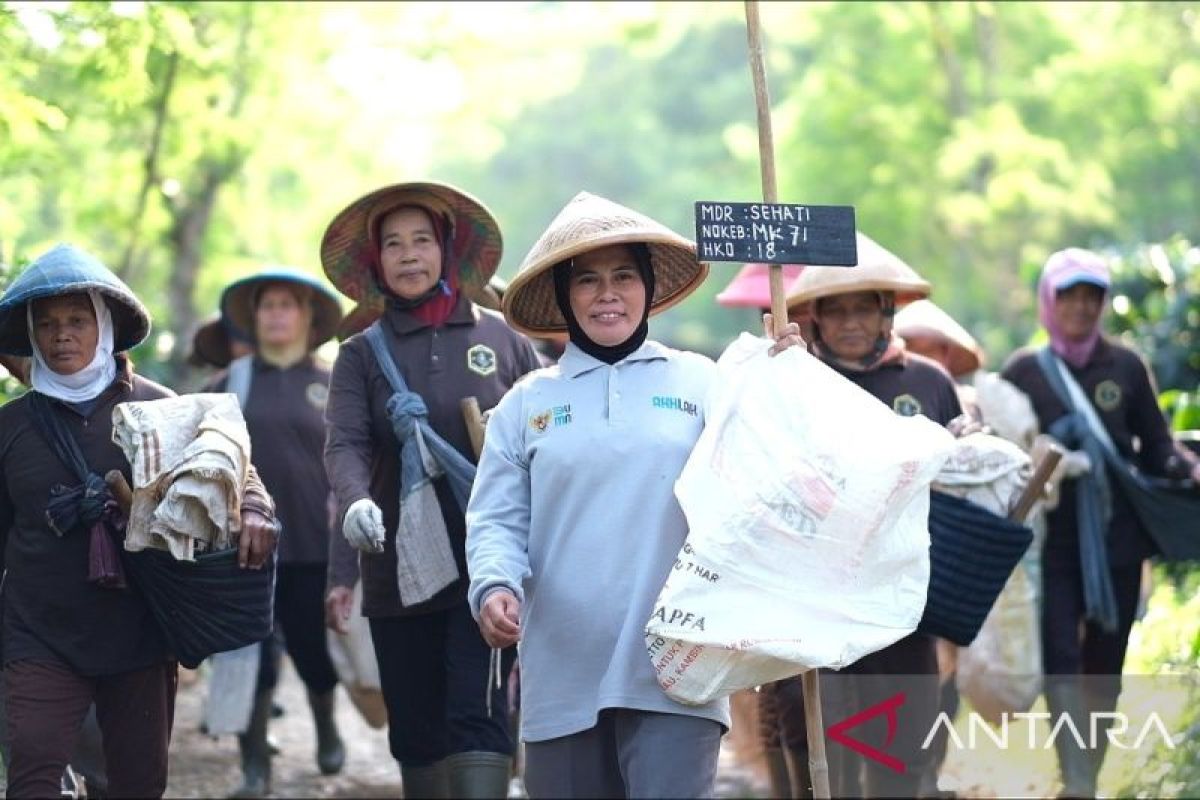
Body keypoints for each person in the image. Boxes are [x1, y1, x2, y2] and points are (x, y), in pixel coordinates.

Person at [465, 190, 802, 799]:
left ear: (648, 286)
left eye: (624, 275)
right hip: (561, 667)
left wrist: (785, 380)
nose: (607, 293)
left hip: (678, 664)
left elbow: (770, 468)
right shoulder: (527, 403)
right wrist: (493, 585)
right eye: (587, 280)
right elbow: (495, 520)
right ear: (565, 298)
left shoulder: (702, 382)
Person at [0, 243, 278, 799]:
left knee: (137, 783)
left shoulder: (162, 407)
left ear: (104, 326)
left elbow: (230, 466)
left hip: (141, 628)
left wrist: (254, 506)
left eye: (77, 321)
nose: (62, 335)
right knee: (32, 773)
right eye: (48, 323)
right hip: (38, 632)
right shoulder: (11, 427)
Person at [322, 180, 543, 799]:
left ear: (448, 251)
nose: (409, 254)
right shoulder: (360, 354)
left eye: (422, 240)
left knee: (478, 710)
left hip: (489, 560)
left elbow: (549, 434)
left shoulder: (504, 339)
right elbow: (345, 443)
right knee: (416, 721)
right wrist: (357, 501)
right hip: (399, 565)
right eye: (393, 244)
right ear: (376, 262)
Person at [1001, 248, 1200, 798]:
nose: (1082, 307)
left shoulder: (1126, 366)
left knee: (1105, 664)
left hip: (1118, 538)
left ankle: (1087, 772)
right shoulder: (1024, 371)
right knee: (1060, 655)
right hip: (1051, 543)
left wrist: (1189, 469)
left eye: (1093, 296)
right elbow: (1003, 450)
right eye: (1070, 295)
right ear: (1049, 301)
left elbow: (1158, 446)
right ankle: (1078, 780)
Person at [778, 233, 968, 800]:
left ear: (887, 312)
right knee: (816, 738)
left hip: (904, 598)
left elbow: (957, 476)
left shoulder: (927, 382)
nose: (851, 321)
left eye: (864, 307)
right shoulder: (794, 383)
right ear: (814, 319)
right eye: (836, 309)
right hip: (814, 597)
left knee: (904, 741)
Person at [205, 267, 347, 797]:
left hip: (314, 545)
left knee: (313, 653)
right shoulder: (228, 385)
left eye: (289, 304)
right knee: (251, 658)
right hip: (241, 550)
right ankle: (254, 763)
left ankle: (328, 726)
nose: (278, 314)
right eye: (268, 306)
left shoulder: (334, 382)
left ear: (308, 318)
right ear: (255, 318)